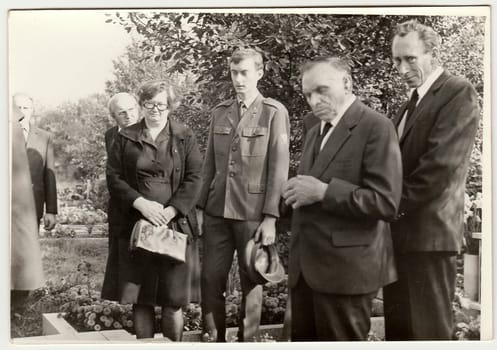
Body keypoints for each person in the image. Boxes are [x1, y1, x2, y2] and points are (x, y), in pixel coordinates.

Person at [282, 57, 402, 341]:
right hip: (306, 273)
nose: (314, 100)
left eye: (322, 90)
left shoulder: (376, 126)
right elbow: (308, 194)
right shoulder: (315, 131)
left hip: (346, 274)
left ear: (347, 83)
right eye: (308, 94)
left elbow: (386, 202)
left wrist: (323, 191)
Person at [383, 20, 480, 341]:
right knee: (400, 335)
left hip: (429, 239)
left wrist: (384, 206)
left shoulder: (457, 92)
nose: (402, 68)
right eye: (397, 60)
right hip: (399, 239)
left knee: (429, 336)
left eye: (410, 58)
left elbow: (439, 170)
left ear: (433, 54)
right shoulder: (407, 106)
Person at [197, 48, 290, 342]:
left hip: (252, 213)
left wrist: (271, 218)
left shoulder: (273, 112)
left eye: (245, 73)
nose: (238, 79)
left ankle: (246, 342)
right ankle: (213, 338)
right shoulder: (219, 112)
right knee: (211, 278)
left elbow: (279, 168)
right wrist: (200, 208)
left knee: (252, 281)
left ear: (259, 73)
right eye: (234, 73)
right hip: (216, 211)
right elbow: (209, 164)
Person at [105, 80, 202, 340]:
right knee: (142, 299)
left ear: (170, 106)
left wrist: (170, 212)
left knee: (173, 301)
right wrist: (142, 204)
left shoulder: (184, 135)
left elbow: (195, 178)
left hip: (175, 227)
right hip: (136, 227)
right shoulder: (125, 137)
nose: (155, 110)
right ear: (142, 105)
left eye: (161, 104)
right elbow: (114, 178)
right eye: (149, 104)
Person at [101, 92, 140, 301]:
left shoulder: (146, 133)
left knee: (140, 265)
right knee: (120, 263)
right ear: (113, 116)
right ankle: (124, 307)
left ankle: (138, 304)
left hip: (142, 205)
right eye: (121, 112)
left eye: (131, 109)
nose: (128, 115)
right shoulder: (110, 135)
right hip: (119, 209)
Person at [11, 119, 44, 311]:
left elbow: (47, 176)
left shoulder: (38, 141)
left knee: (23, 258)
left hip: (23, 210)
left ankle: (16, 307)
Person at [13, 93, 57, 231]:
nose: (21, 111)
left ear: (32, 110)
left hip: (32, 208)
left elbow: (49, 176)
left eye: (26, 108)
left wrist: (51, 210)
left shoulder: (45, 137)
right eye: (17, 107)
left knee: (28, 252)